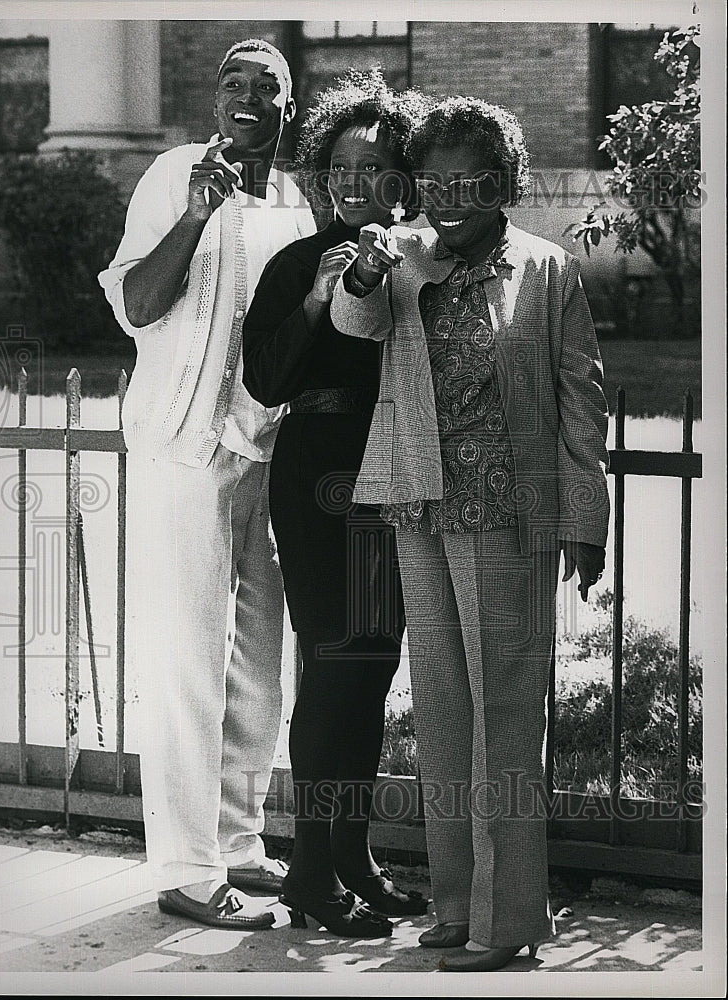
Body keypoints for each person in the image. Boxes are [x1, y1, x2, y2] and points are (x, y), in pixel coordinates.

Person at [330, 95, 609, 969]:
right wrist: (366, 274)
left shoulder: (546, 269)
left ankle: (507, 920)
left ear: (507, 183)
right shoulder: (405, 256)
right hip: (419, 500)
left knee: (506, 713)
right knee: (446, 712)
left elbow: (580, 398)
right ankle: (456, 906)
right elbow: (351, 320)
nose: (450, 198)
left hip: (509, 510)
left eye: (472, 182)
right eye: (434, 181)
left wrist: (585, 516)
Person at [98, 38, 315, 930]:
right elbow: (139, 304)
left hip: (265, 451)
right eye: (235, 81)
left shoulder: (295, 201)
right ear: (213, 97)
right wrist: (194, 215)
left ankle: (239, 840)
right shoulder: (176, 172)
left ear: (288, 111)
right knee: (188, 658)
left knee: (262, 660)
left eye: (270, 87)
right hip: (182, 452)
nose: (249, 97)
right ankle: (188, 867)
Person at [242, 69, 429, 937]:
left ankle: (352, 857)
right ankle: (311, 875)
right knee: (334, 664)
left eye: (378, 170)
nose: (358, 185)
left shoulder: (413, 265)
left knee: (373, 667)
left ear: (403, 181)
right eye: (343, 169)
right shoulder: (291, 265)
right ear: (324, 176)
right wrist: (319, 296)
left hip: (393, 468)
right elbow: (266, 379)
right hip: (318, 469)